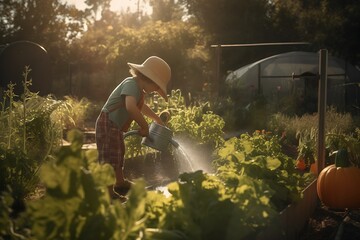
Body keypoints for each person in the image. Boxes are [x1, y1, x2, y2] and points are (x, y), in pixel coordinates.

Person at [95, 56, 171, 199]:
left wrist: (156, 119)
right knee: (109, 157)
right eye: (156, 87)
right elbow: (130, 107)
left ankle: (120, 182)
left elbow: (141, 108)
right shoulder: (131, 84)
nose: (156, 90)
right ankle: (107, 192)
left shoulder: (138, 90)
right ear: (150, 79)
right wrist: (144, 125)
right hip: (107, 123)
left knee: (118, 153)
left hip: (114, 126)